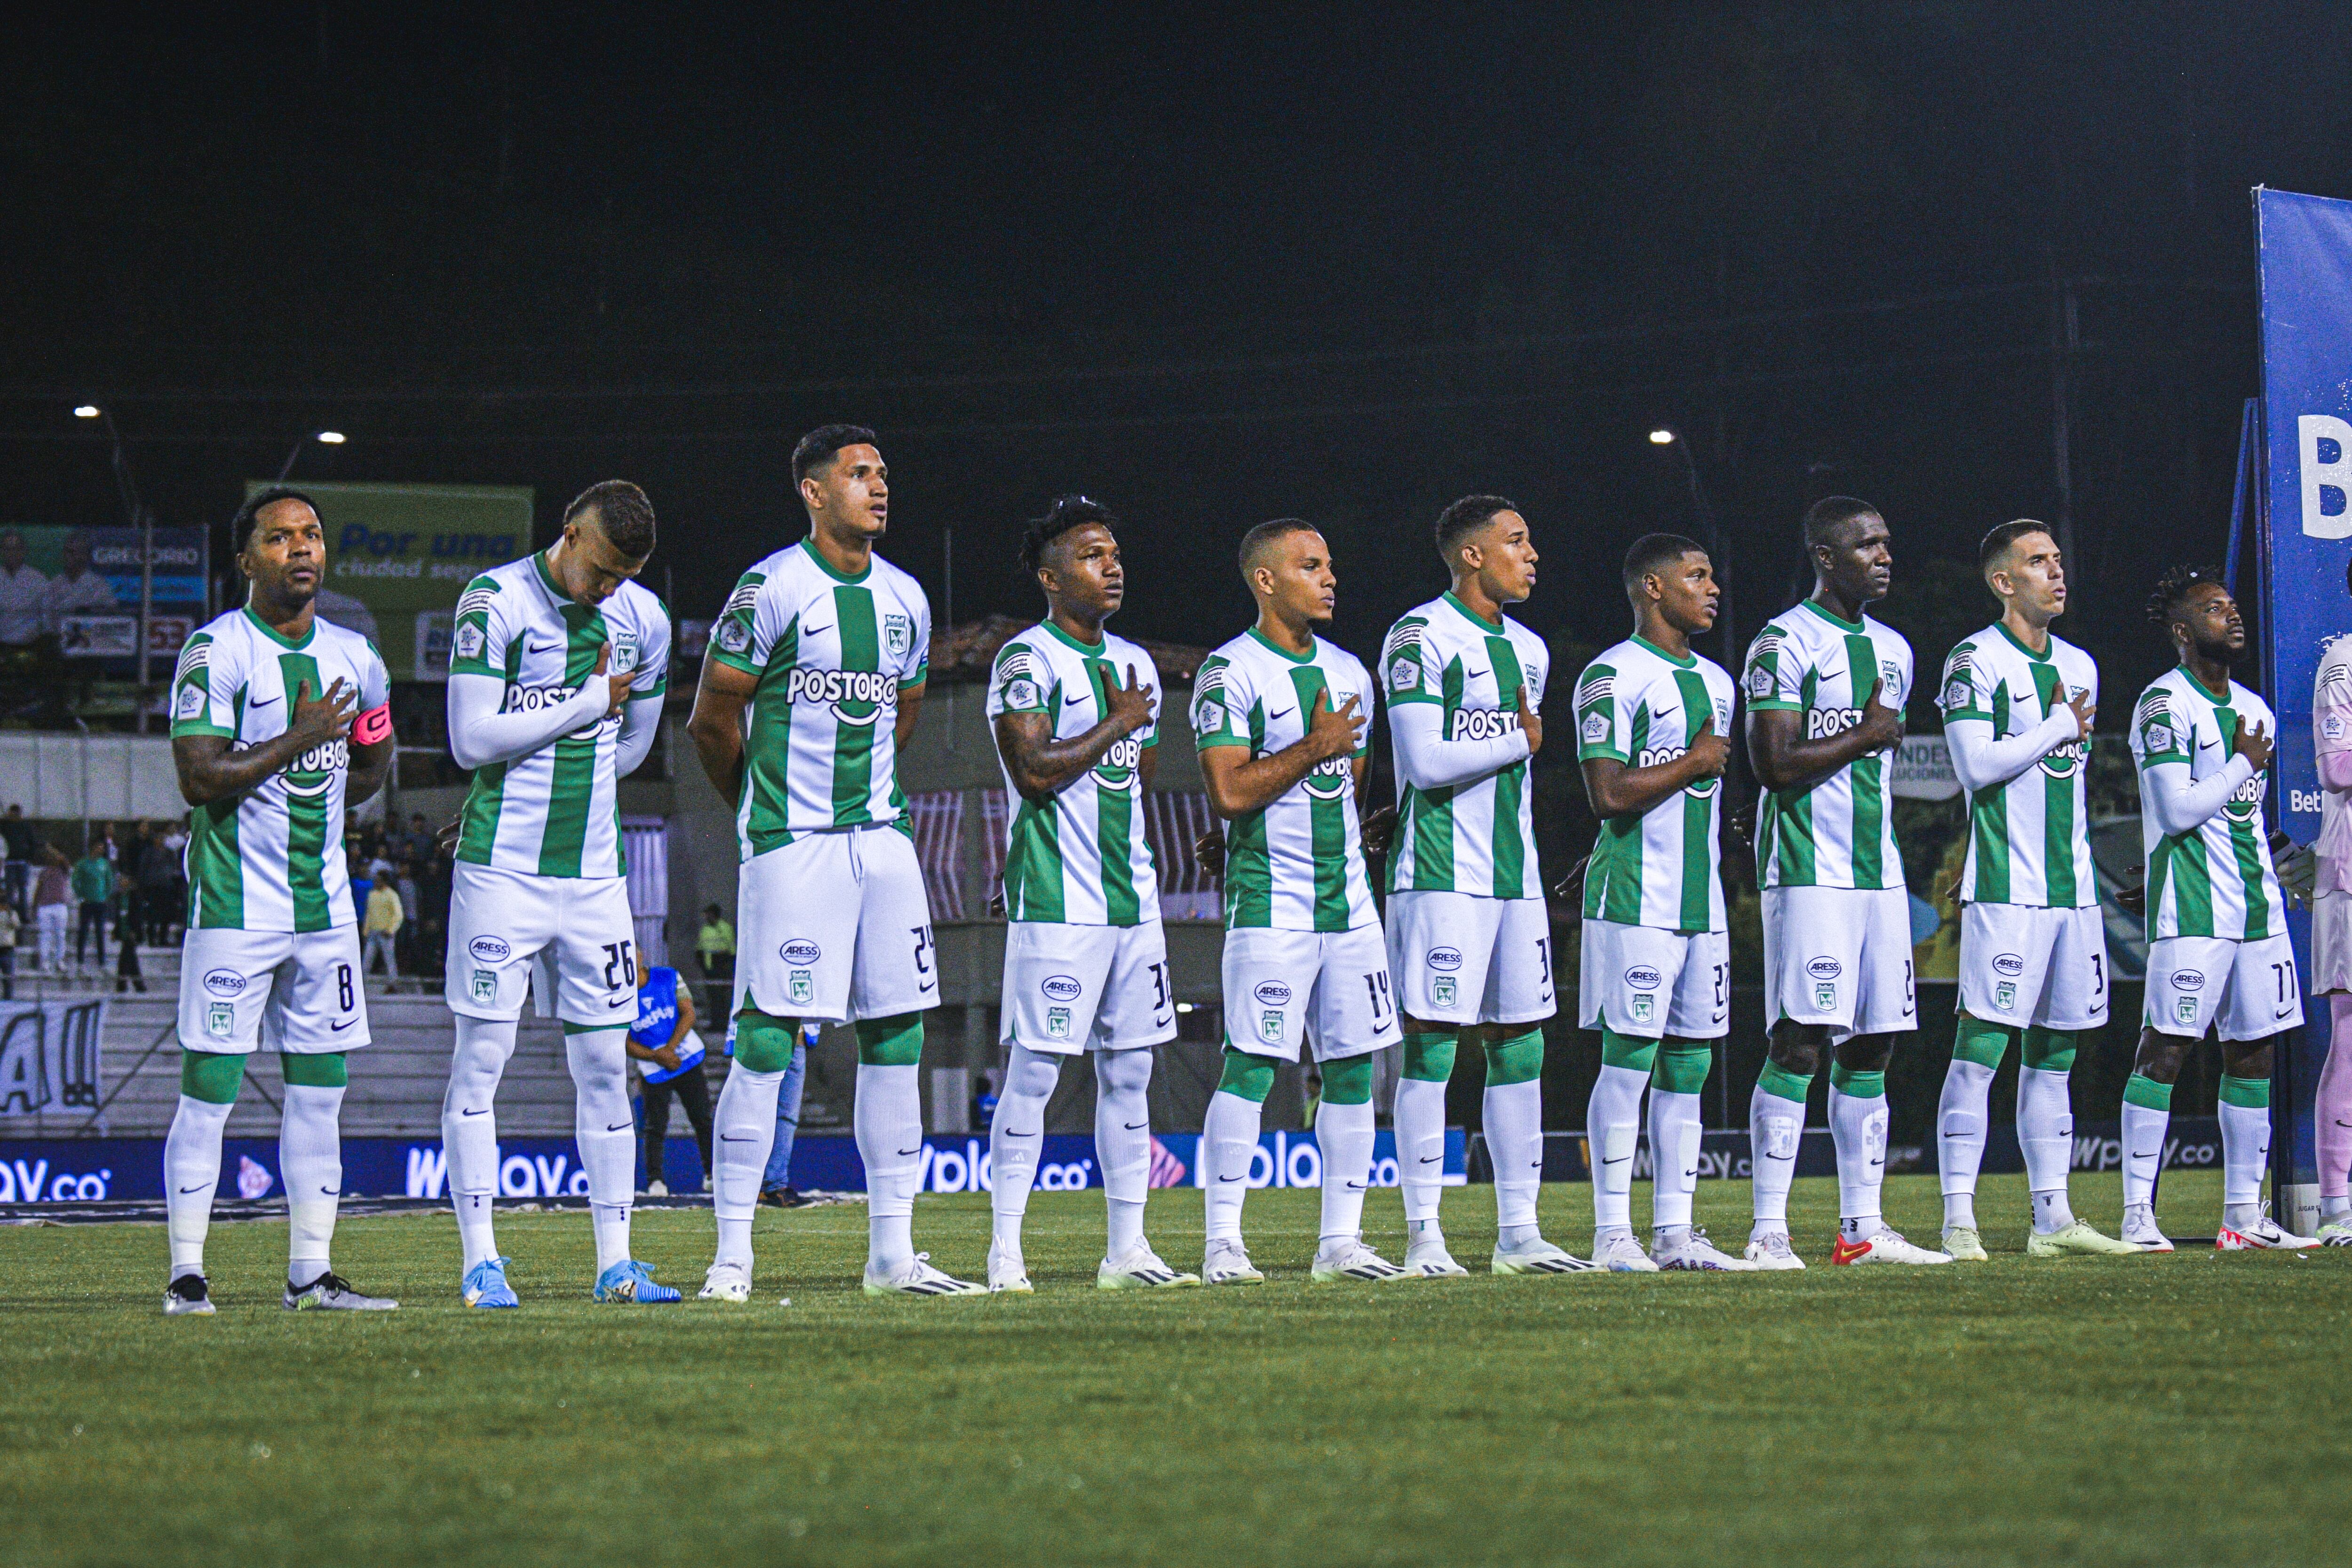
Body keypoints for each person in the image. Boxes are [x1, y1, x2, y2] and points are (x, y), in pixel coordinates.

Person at [688, 424, 975, 1301]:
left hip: (883, 844)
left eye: (883, 473)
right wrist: (763, 813)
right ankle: (732, 1255)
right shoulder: (772, 586)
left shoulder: (908, 599)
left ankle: (892, 1255)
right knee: (768, 1035)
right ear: (814, 492)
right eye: (858, 474)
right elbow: (712, 718)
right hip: (793, 842)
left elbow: (905, 711)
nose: (879, 487)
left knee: (898, 1031)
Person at [159, 486, 399, 1315]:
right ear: (246, 559)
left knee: (321, 1092)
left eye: (312, 535)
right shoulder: (214, 649)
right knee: (211, 1088)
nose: (301, 549)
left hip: (326, 911)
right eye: (280, 538)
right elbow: (198, 777)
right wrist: (299, 740)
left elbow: (371, 761)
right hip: (235, 910)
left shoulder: (357, 654)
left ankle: (311, 1271)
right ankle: (187, 1274)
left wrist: (362, 750)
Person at [439, 479, 678, 1308]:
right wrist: (582, 704)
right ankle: (481, 1262)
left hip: (596, 881)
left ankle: (616, 1262)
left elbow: (633, 743)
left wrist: (566, 773)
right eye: (602, 568)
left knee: (607, 1069)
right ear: (570, 533)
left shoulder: (642, 619)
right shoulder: (495, 600)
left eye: (625, 575)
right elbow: (470, 740)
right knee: (481, 1061)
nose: (609, 587)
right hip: (500, 874)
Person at [981, 496, 1194, 1291]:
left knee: (1130, 1075)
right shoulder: (1024, 660)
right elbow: (1034, 772)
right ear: (1050, 575)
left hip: (1132, 906)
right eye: (1091, 555)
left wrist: (1127, 724)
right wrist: (1118, 721)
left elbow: (1131, 784)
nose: (1112, 567)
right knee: (1034, 1076)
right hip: (1056, 900)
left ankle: (1127, 1249)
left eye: (1114, 553)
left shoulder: (1137, 664)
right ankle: (1006, 1253)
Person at [1191, 518, 1402, 1285]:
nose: (1329, 576)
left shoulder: (1351, 673)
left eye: (1330, 562)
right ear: (1266, 579)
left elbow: (1352, 790)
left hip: (1348, 905)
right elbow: (1227, 789)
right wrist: (1311, 747)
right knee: (1250, 1066)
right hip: (1271, 903)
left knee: (1352, 1070)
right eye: (1310, 565)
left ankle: (1339, 1243)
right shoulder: (1230, 672)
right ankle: (1223, 1243)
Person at [1381, 496, 1588, 1277]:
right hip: (1439, 874)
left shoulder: (1530, 650)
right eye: (1516, 540)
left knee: (1521, 1043)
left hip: (1516, 879)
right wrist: (1517, 737)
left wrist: (1512, 741)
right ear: (1473, 555)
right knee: (1432, 1047)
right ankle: (1424, 1234)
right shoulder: (1419, 635)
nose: (1532, 553)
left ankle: (1519, 1233)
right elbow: (1427, 761)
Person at [1741, 497, 1947, 1267]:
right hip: (1808, 872)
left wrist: (1867, 737)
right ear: (1827, 557)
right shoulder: (1782, 641)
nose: (1884, 555)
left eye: (1888, 543)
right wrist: (1865, 732)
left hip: (1878, 874)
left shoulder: (1895, 649)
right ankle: (1768, 1229)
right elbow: (1772, 763)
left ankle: (1862, 1228)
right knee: (1800, 1041)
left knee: (1875, 1043)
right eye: (1867, 546)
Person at [1929, 523, 2134, 1259]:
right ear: (2003, 582)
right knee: (1980, 1050)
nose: (2057, 572)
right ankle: (1959, 1219)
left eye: (2057, 560)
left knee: (2056, 1056)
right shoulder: (1974, 660)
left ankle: (2053, 1218)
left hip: (2073, 894)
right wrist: (2055, 723)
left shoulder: (2081, 666)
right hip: (2006, 890)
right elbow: (1975, 766)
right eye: (2038, 562)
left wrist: (2057, 722)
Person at [2119, 567, 2317, 1250]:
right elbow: (2175, 811)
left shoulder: (2256, 709)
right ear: (2182, 631)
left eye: (2232, 607)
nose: (2232, 618)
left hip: (2257, 908)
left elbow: (2247, 820)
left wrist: (2296, 872)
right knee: (2166, 1051)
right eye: (2214, 610)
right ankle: (2137, 1214)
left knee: (2254, 1055)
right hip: (2194, 906)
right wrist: (2239, 762)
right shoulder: (2163, 705)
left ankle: (2242, 1217)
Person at [1572, 534, 1750, 1271]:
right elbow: (1607, 794)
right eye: (1696, 576)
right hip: (1633, 901)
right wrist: (1696, 762)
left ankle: (1675, 1233)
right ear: (1652, 586)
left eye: (1713, 575)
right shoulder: (1611, 676)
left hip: (1700, 904)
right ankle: (1612, 1233)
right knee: (1629, 1064)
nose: (1712, 588)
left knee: (1689, 1068)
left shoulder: (1718, 682)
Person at [2312, 560, 2352, 1245]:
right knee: (2350, 1045)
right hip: (2350, 878)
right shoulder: (2343, 662)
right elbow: (2336, 764)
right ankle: (2337, 1207)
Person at [627, 957, 712, 1195]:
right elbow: (624, 1042)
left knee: (703, 1118)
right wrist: (657, 1057)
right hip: (653, 1066)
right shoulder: (621, 993)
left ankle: (712, 1174)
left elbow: (688, 1013)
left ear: (641, 960)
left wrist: (669, 1050)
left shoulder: (669, 976)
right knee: (655, 1125)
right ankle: (655, 1181)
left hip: (685, 1056)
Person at [759, 1020, 820, 1207]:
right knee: (756, 1114)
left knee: (788, 1116)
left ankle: (774, 1185)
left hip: (797, 1039)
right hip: (764, 1031)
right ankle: (751, 1183)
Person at [0, 529, 49, 649]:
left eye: (16, 549)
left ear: (23, 551)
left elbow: (46, 617)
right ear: (2, 551)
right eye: (7, 549)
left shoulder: (38, 579)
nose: (12, 553)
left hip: (31, 646)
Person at [71, 842, 114, 968]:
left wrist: (106, 896)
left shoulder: (105, 864)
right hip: (87, 903)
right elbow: (75, 880)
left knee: (100, 932)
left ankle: (102, 961)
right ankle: (80, 961)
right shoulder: (83, 863)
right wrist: (81, 895)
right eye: (98, 848)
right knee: (83, 932)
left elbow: (109, 881)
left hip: (100, 903)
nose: (99, 851)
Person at [33, 849, 70, 971]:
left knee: (61, 935)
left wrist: (51, 849)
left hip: (60, 906)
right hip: (45, 906)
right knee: (45, 935)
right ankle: (45, 961)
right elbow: (39, 889)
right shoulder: (44, 872)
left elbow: (64, 859)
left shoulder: (63, 871)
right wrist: (35, 906)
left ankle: (60, 960)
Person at [696, 903, 735, 1017]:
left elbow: (731, 948)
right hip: (709, 965)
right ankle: (715, 1022)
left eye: (708, 914)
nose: (706, 917)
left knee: (723, 996)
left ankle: (723, 1022)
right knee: (712, 996)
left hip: (722, 964)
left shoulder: (725, 928)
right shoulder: (705, 929)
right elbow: (701, 946)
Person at [2, 804, 40, 917]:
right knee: (10, 889)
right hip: (9, 862)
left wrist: (29, 858)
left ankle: (23, 914)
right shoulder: (5, 826)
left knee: (23, 889)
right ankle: (11, 914)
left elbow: (33, 843)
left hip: (23, 862)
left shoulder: (26, 826)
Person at [362, 876, 402, 978]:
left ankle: (393, 985)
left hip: (386, 933)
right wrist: (366, 931)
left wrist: (391, 930)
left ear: (384, 882)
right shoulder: (372, 894)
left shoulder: (392, 895)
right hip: (373, 933)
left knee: (389, 961)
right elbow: (369, 914)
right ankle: (362, 984)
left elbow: (398, 915)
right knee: (367, 960)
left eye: (379, 881)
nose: (376, 883)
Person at [0, 898, 17, 999]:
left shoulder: (11, 914)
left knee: (9, 977)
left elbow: (16, 925)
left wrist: (10, 913)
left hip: (7, 948)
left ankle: (8, 997)